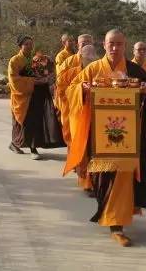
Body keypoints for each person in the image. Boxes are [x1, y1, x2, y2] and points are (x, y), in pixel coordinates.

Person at [63, 29, 146, 247]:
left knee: (123, 177)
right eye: (111, 44)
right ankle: (113, 220)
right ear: (104, 44)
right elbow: (70, 91)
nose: (115, 48)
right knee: (105, 179)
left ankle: (116, 224)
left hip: (129, 139)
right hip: (100, 138)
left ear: (124, 46)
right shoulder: (94, 69)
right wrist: (82, 88)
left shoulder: (133, 69)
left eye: (119, 44)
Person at [8, 35, 64, 160]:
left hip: (36, 95)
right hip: (22, 96)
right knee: (21, 124)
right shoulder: (15, 60)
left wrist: (46, 78)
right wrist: (33, 81)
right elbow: (14, 80)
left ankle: (33, 146)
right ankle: (16, 144)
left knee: (35, 122)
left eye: (31, 44)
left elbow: (42, 72)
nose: (29, 46)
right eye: (26, 44)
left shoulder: (35, 60)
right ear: (20, 46)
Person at [58, 43, 99, 192]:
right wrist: (80, 88)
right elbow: (63, 91)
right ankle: (85, 182)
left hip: (96, 116)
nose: (90, 61)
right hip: (76, 115)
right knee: (82, 148)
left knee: (95, 149)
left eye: (93, 58)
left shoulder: (99, 71)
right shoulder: (71, 73)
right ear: (80, 57)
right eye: (87, 58)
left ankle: (95, 181)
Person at [55, 33, 94, 147]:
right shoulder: (69, 62)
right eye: (83, 43)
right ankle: (74, 162)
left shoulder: (98, 63)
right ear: (78, 45)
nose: (86, 45)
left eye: (89, 43)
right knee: (72, 135)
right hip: (71, 105)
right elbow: (60, 84)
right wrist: (78, 89)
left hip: (91, 104)